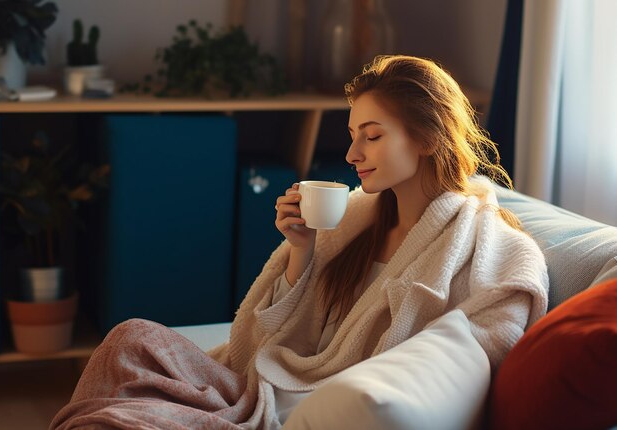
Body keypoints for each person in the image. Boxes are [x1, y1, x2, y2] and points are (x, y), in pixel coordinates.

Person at [51, 55, 548, 430]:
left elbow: (483, 360)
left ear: (428, 137)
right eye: (353, 134)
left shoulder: (490, 248)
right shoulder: (356, 219)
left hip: (311, 404)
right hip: (275, 381)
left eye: (371, 136)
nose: (352, 152)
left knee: (112, 419)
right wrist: (301, 251)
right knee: (131, 337)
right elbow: (280, 342)